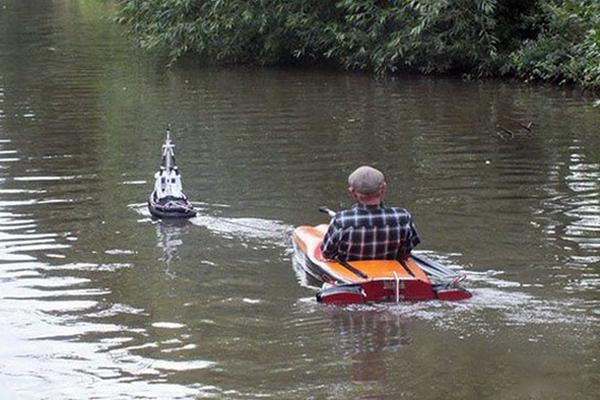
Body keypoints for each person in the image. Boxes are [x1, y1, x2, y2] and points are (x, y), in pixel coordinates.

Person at [320, 166, 420, 262]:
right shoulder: (403, 217)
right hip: (391, 269)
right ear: (383, 190)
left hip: (351, 270)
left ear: (353, 193)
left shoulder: (341, 220)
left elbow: (327, 253)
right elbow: (407, 249)